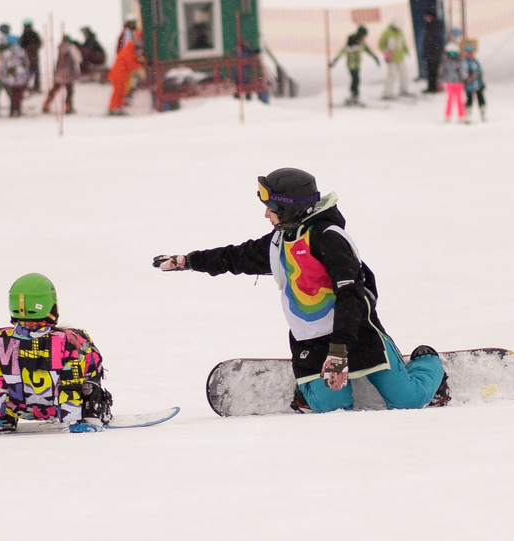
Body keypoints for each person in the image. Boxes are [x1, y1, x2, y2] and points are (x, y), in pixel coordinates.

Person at [152, 167, 447, 414]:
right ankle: (308, 389)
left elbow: (351, 295)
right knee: (333, 409)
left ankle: (427, 362)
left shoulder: (330, 239)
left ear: (289, 208)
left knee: (409, 401)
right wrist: (188, 261)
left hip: (357, 336)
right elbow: (235, 256)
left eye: (272, 208)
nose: (267, 215)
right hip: (312, 341)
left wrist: (340, 350)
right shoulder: (280, 240)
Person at [0, 272, 114, 434]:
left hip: (17, 408)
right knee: (86, 352)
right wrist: (73, 421)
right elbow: (70, 385)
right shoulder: (70, 340)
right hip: (58, 409)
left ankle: (4, 417)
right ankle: (92, 411)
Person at [41, 28, 82, 114]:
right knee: (69, 91)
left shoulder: (60, 47)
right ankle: (68, 107)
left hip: (59, 72)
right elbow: (79, 59)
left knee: (54, 89)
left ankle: (46, 104)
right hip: (69, 73)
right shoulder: (71, 48)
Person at [337, 24, 380, 104]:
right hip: (351, 64)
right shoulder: (351, 41)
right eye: (364, 35)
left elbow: (368, 50)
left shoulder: (361, 42)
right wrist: (334, 61)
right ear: (361, 34)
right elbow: (342, 51)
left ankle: (354, 96)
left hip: (357, 64)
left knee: (356, 80)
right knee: (355, 79)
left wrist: (375, 57)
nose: (365, 37)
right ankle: (354, 96)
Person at [107, 20, 142, 116]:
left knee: (120, 92)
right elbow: (131, 63)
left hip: (120, 75)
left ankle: (116, 107)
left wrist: (140, 63)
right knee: (118, 92)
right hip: (119, 75)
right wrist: (142, 65)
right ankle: (113, 108)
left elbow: (133, 60)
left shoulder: (128, 50)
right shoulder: (127, 52)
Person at [0, 32, 34, 115]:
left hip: (11, 79)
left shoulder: (7, 53)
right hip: (21, 78)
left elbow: (4, 66)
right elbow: (26, 64)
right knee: (18, 95)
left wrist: (3, 75)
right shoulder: (22, 52)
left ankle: (13, 110)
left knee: (13, 96)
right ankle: (17, 110)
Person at [452, 38, 488, 121]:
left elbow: (481, 72)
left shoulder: (476, 62)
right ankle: (467, 114)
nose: (470, 54)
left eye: (471, 52)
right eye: (468, 52)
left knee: (480, 99)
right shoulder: (464, 62)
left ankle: (483, 112)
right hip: (469, 86)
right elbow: (462, 73)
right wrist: (467, 77)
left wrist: (483, 81)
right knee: (469, 100)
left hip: (478, 84)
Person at [378, 22, 413, 99]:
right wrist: (386, 53)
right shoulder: (386, 33)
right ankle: (387, 93)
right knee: (391, 75)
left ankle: (404, 90)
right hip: (391, 58)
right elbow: (381, 45)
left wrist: (406, 50)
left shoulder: (400, 32)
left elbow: (402, 43)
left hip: (400, 57)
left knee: (404, 74)